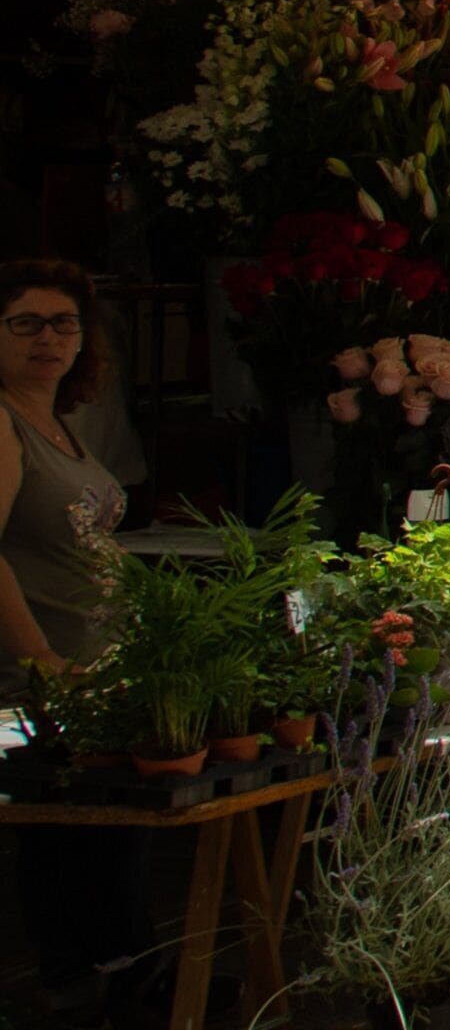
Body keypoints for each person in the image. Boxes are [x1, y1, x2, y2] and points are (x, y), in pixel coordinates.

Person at [0, 260, 152, 1012]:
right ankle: (82, 989)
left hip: (100, 665)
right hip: (43, 669)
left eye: (63, 323)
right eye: (24, 322)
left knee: (109, 837)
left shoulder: (58, 420)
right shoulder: (0, 419)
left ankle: (127, 979)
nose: (47, 339)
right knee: (69, 835)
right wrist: (41, 660)